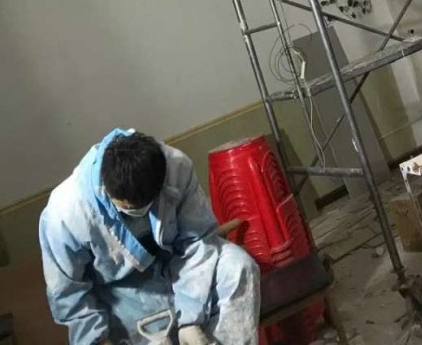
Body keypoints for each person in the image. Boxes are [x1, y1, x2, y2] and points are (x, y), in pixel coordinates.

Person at [40, 129, 260, 345]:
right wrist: (96, 340)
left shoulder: (175, 168)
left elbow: (196, 240)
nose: (139, 212)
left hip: (180, 270)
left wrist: (191, 318)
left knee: (237, 265)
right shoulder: (65, 214)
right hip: (118, 298)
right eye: (129, 208)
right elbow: (68, 291)